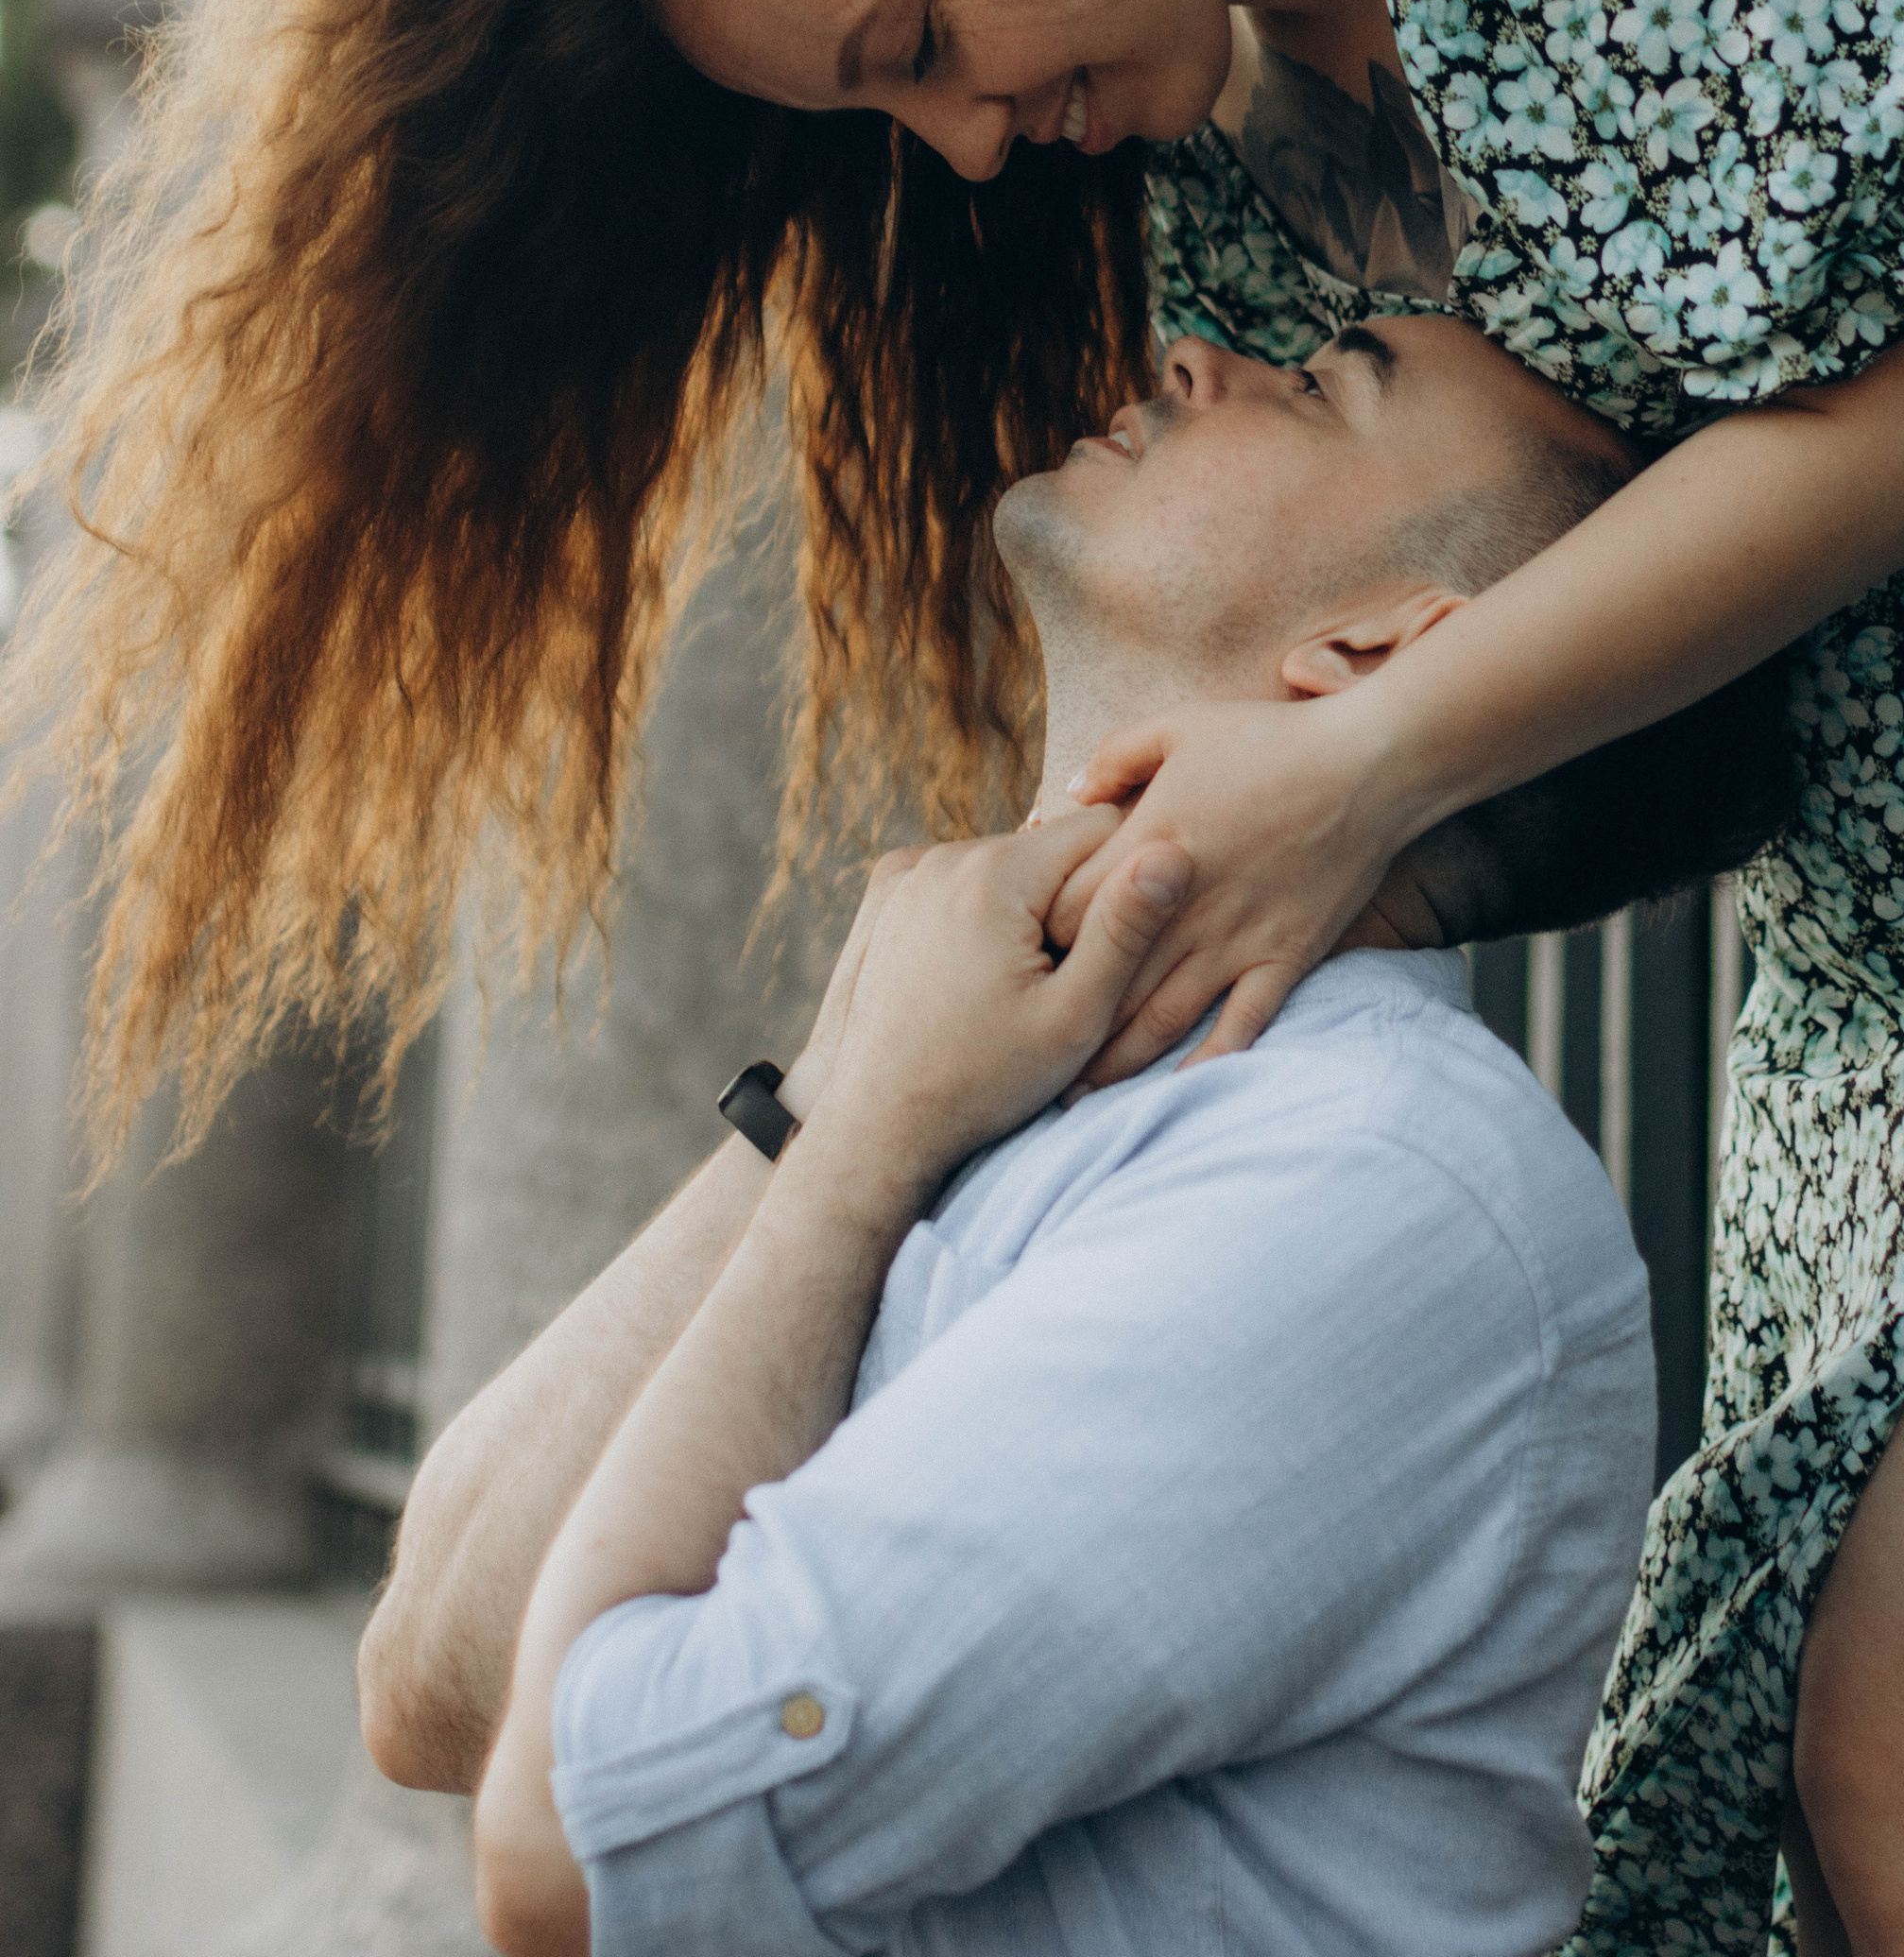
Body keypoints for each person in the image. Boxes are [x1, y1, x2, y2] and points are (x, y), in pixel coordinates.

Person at [15, 0, 1904, 1949]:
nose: (957, 140)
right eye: (879, 113)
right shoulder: (1236, 170)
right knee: (1842, 1735)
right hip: (1888, 923)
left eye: (924, 40)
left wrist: (1354, 772)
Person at [362, 309, 1787, 1956]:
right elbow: (436, 1684)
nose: (1197, 356)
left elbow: (586, 1860)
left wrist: (860, 1154)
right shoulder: (992, 1080)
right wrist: (841, 1094)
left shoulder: (1372, 1187)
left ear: (1395, 642)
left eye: (1325, 385)